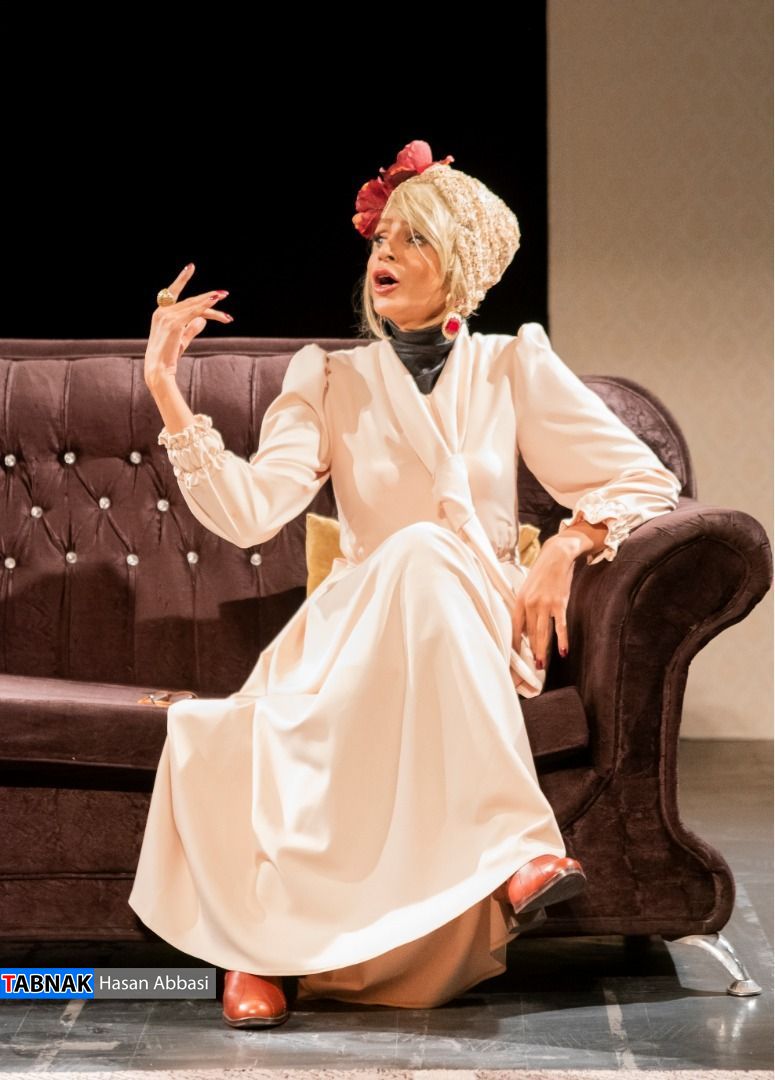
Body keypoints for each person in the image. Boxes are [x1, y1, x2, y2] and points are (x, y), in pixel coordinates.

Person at [129, 140, 682, 1028]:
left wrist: (565, 546)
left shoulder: (510, 363)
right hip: (354, 629)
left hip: (470, 617)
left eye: (412, 238)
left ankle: (282, 942)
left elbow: (641, 479)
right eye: (380, 237)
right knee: (272, 696)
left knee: (428, 552)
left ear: (460, 263)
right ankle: (294, 936)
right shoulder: (329, 375)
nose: (383, 253)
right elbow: (249, 514)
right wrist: (164, 386)